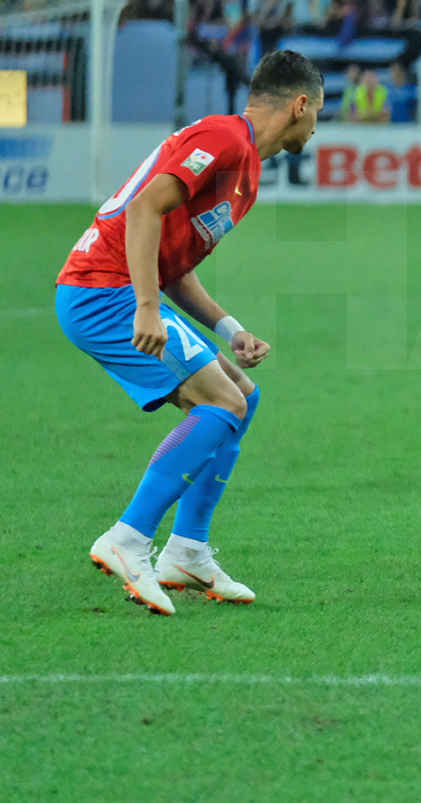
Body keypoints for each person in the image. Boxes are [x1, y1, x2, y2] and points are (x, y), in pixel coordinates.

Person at [57, 50, 324, 616]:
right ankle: (128, 540)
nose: (317, 125)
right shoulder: (225, 139)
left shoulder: (247, 169)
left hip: (123, 289)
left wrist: (230, 329)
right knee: (222, 402)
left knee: (244, 397)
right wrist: (147, 308)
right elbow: (144, 210)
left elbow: (173, 261)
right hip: (103, 289)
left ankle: (188, 551)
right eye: (318, 111)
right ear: (300, 105)